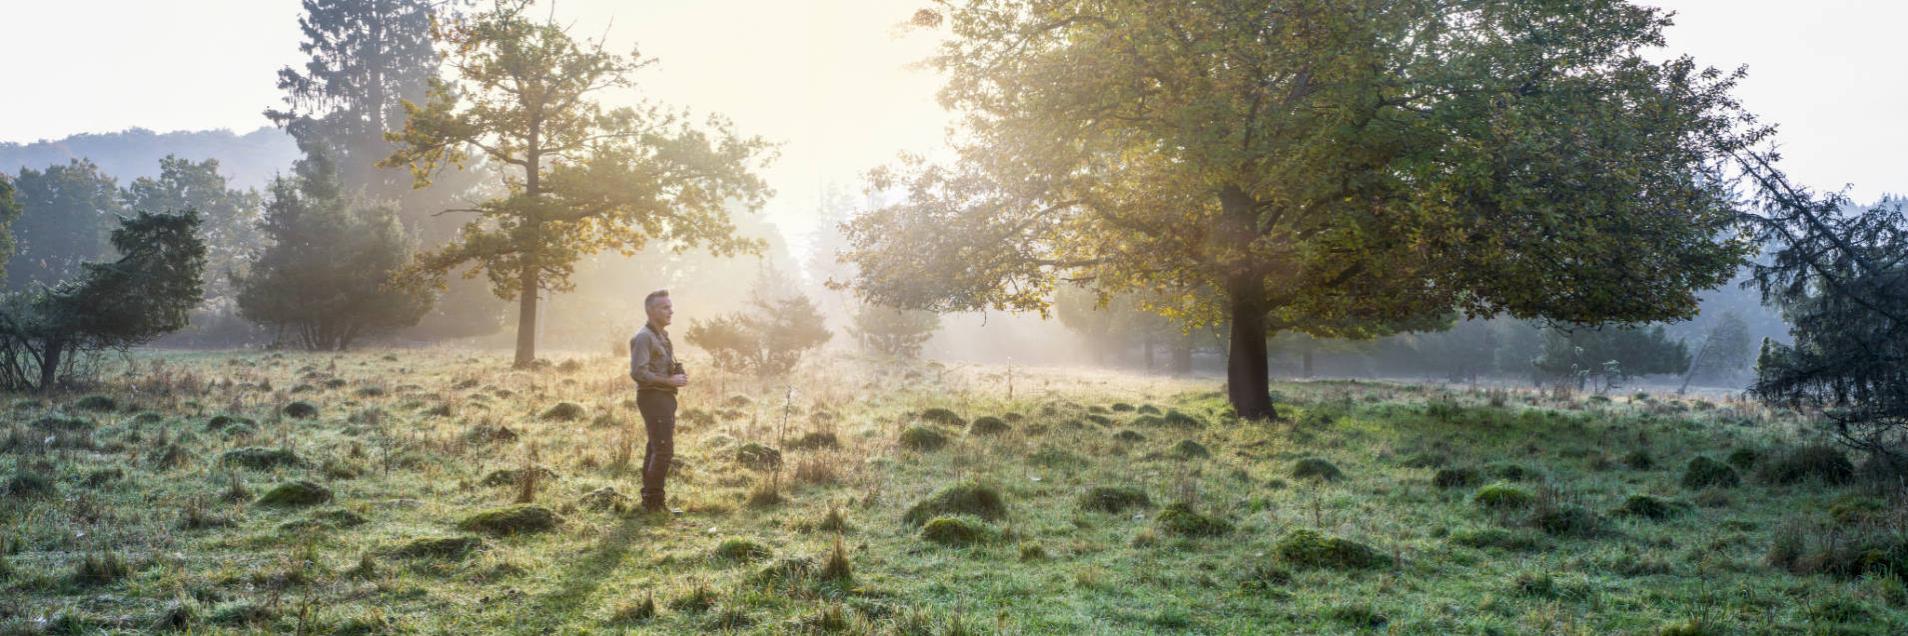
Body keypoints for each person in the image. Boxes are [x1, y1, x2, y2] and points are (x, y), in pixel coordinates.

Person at [629, 289, 688, 513]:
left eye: (670, 306)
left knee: (655, 447)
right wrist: (669, 380)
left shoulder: (662, 336)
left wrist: (675, 376)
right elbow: (638, 373)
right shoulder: (643, 337)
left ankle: (649, 499)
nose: (671, 311)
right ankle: (654, 504)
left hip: (664, 397)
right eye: (665, 307)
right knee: (663, 451)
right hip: (652, 397)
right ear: (650, 311)